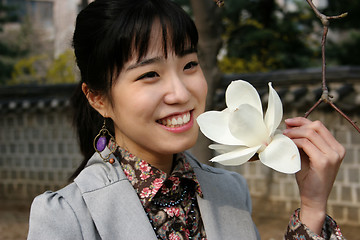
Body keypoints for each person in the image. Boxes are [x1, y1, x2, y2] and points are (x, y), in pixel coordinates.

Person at [27, 0, 346, 239]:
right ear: (98, 98)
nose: (180, 93)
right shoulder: (67, 216)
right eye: (150, 74)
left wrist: (313, 207)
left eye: (189, 65)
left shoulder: (230, 192)